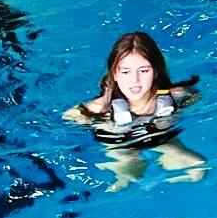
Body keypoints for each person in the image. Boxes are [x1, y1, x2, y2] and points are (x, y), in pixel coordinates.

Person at [65, 31, 206, 190]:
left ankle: (165, 174)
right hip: (120, 144)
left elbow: (195, 95)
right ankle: (127, 172)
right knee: (128, 173)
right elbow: (68, 117)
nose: (135, 80)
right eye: (125, 72)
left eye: (144, 71)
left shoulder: (174, 96)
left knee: (198, 167)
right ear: (114, 74)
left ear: (155, 72)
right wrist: (89, 118)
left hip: (161, 138)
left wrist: (178, 111)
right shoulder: (99, 108)